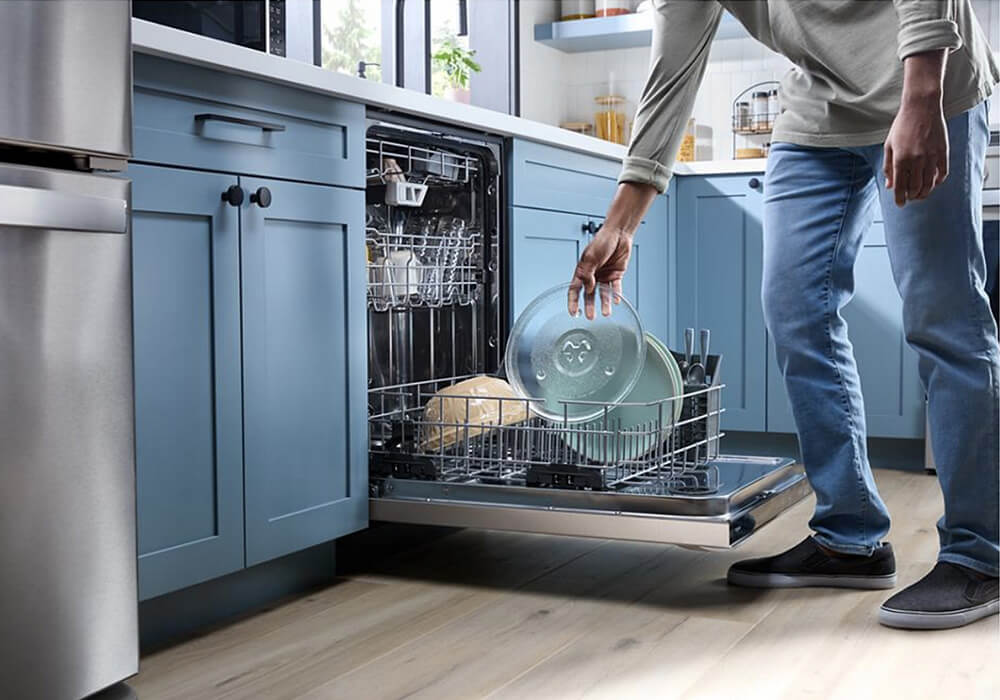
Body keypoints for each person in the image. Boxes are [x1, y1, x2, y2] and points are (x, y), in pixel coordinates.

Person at [568, 0, 999, 630]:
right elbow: (673, 70)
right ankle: (850, 537)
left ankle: (980, 554)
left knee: (943, 315)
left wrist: (924, 92)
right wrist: (620, 225)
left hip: (928, 80)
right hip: (819, 109)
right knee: (796, 308)